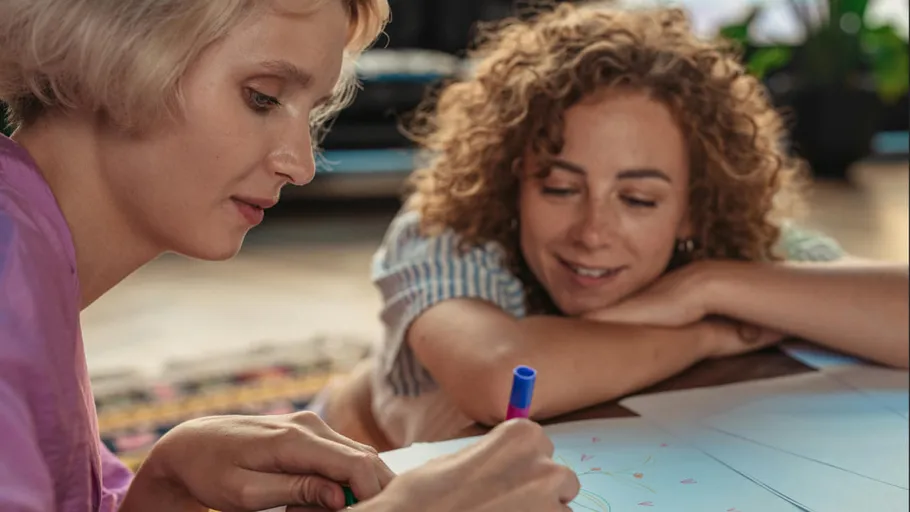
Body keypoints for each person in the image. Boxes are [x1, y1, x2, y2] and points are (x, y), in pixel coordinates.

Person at [0, 1, 580, 511]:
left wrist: (165, 482)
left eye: (312, 112)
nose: (300, 165)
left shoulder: (33, 258)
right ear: (117, 48)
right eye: (263, 97)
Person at [343, 3, 910, 449]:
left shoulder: (722, 245)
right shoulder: (448, 235)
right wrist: (707, 332)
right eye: (560, 188)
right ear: (513, 179)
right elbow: (504, 379)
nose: (593, 231)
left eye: (638, 199)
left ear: (692, 206)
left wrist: (707, 285)